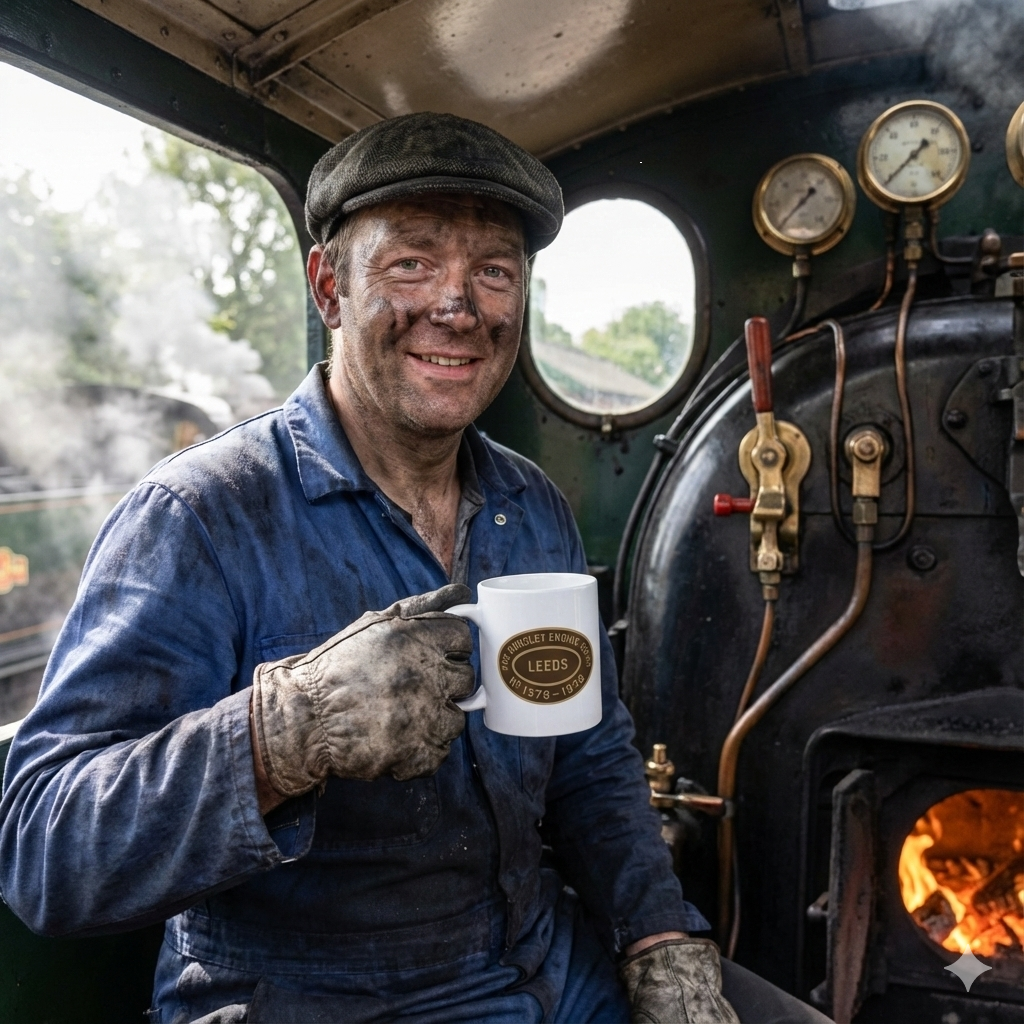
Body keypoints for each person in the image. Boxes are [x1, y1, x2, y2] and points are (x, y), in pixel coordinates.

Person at [0, 113, 830, 1024]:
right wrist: (283, 734)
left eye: (495, 271)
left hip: (544, 962)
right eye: (412, 263)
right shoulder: (199, 517)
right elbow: (46, 850)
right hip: (316, 997)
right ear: (329, 287)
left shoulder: (532, 506)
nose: (459, 306)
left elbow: (588, 758)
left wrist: (658, 935)